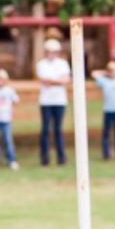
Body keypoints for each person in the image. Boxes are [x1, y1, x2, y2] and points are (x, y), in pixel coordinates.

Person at [35, 38, 70, 166]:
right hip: (46, 101)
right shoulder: (41, 64)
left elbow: (66, 80)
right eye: (50, 51)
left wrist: (53, 81)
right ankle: (45, 158)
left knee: (58, 129)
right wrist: (58, 81)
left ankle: (61, 158)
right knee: (45, 129)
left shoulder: (63, 64)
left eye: (54, 51)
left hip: (60, 100)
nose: (52, 54)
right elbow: (44, 80)